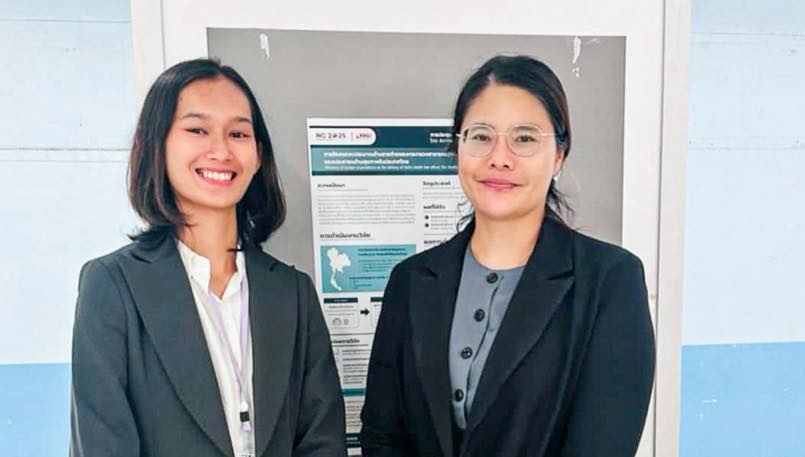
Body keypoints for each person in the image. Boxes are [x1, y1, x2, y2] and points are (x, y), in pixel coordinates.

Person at [360, 55, 655, 457]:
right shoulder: (411, 280)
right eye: (481, 136)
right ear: (458, 147)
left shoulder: (609, 281)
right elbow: (382, 436)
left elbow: (603, 444)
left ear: (558, 155)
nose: (499, 157)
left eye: (525, 138)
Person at [70, 58, 346, 457]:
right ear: (157, 144)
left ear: (257, 155)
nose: (221, 150)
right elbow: (103, 444)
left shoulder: (292, 292)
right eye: (197, 129)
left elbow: (323, 441)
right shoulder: (113, 285)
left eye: (238, 133)